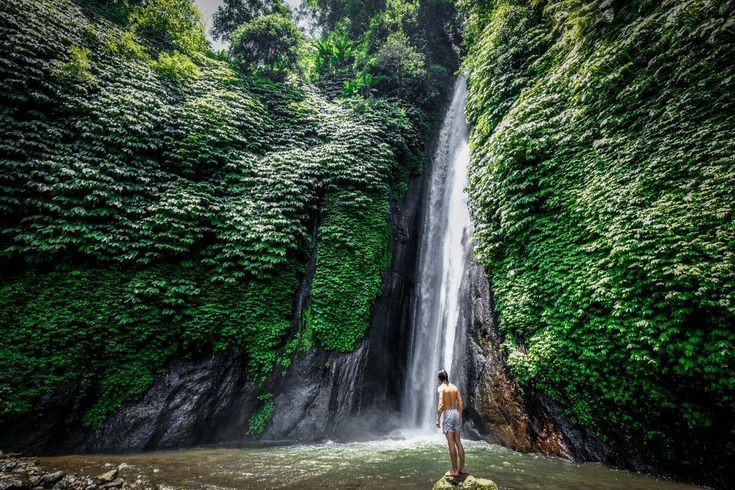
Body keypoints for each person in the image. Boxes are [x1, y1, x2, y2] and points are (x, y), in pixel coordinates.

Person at [435, 369, 466, 477]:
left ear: (440, 378)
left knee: (451, 443)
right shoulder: (454, 387)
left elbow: (440, 405)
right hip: (456, 413)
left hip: (447, 414)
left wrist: (438, 418)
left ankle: (454, 470)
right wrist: (460, 416)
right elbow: (461, 403)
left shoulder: (441, 388)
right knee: (458, 442)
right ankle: (462, 468)